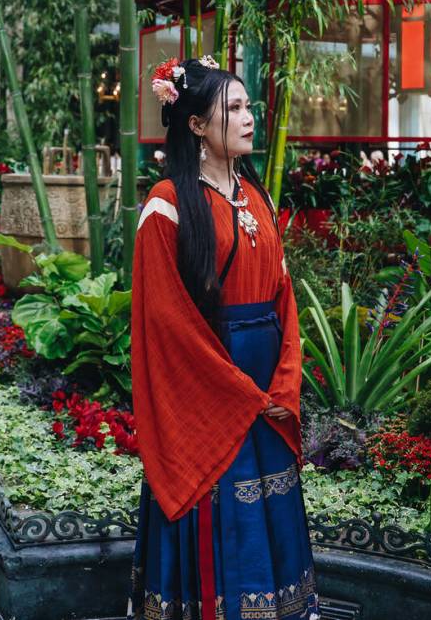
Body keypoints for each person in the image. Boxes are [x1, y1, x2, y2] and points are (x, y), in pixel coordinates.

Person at [129, 56, 320, 620]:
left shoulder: (255, 195)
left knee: (269, 499)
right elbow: (166, 320)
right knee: (218, 493)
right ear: (194, 124)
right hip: (209, 380)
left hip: (262, 381)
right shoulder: (167, 205)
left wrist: (284, 373)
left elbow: (284, 295)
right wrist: (232, 386)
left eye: (248, 106)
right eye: (233, 107)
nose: (248, 117)